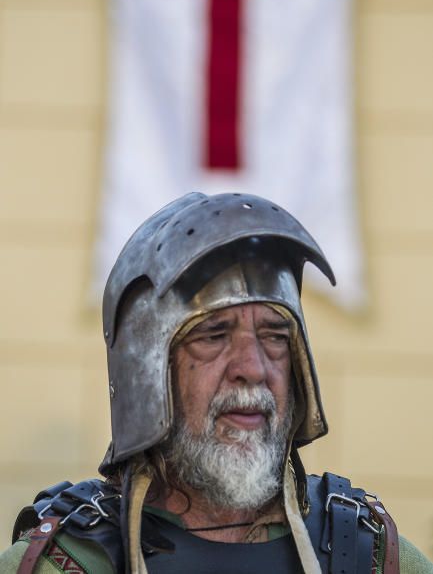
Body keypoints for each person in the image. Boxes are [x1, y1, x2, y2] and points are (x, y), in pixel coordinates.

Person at [1, 192, 432, 574]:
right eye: (213, 336)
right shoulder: (66, 563)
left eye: (274, 337)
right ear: (150, 371)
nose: (253, 367)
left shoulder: (368, 558)